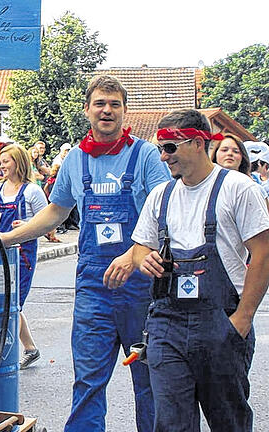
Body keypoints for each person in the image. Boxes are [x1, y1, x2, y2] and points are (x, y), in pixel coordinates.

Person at [0, 75, 170, 431]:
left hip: (142, 286)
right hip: (94, 287)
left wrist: (134, 253)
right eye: (100, 103)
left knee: (148, 381)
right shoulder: (75, 161)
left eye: (114, 104)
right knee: (88, 380)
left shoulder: (144, 154)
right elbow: (56, 212)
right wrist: (6, 239)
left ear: (124, 111)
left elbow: (165, 209)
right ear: (87, 109)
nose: (107, 110)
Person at [122, 109, 269, 430]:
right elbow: (140, 247)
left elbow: (263, 254)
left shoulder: (238, 189)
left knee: (228, 421)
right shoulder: (161, 196)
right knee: (172, 423)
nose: (163, 157)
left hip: (220, 325)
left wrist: (241, 321)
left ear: (199, 142)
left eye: (170, 148)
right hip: (166, 325)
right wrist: (142, 257)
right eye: (160, 148)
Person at [0, 144, 48, 369]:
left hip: (21, 254)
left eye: (6, 161)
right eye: (1, 161)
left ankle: (14, 350)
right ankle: (30, 348)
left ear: (18, 162)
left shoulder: (32, 191)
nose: (2, 165)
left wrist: (27, 225)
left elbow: (47, 221)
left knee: (14, 303)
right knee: (3, 302)